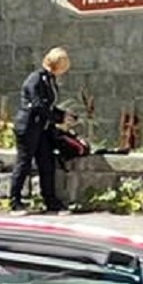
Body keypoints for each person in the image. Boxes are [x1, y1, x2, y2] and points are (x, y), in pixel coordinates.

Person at [16, 46, 89, 214]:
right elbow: (38, 106)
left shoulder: (49, 79)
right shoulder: (36, 79)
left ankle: (50, 201)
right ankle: (15, 201)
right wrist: (59, 119)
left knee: (47, 163)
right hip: (28, 127)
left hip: (42, 128)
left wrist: (63, 114)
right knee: (24, 163)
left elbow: (48, 105)